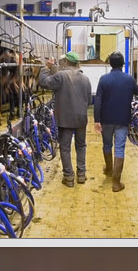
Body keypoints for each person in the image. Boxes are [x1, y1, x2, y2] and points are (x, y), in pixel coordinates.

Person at [96, 46, 138, 189]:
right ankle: (116, 183)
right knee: (120, 148)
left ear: (110, 64)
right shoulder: (129, 79)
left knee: (107, 145)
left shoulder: (103, 79)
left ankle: (109, 169)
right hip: (122, 119)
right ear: (122, 64)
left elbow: (98, 102)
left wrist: (97, 120)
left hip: (106, 119)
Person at [55, 53, 96, 186]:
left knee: (65, 147)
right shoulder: (85, 79)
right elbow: (89, 101)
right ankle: (81, 175)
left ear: (66, 61)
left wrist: (45, 68)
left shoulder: (61, 76)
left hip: (65, 119)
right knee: (81, 145)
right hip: (80, 118)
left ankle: (68, 177)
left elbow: (44, 82)